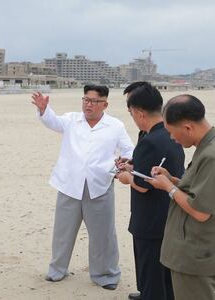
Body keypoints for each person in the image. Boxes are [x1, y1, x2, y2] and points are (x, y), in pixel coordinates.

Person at [31, 85, 134, 290]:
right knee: (63, 232)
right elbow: (52, 121)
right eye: (86, 99)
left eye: (94, 101)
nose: (89, 104)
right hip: (69, 184)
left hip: (100, 185)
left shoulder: (115, 125)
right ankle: (57, 270)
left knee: (103, 235)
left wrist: (123, 164)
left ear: (104, 104)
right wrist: (43, 109)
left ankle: (105, 275)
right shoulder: (71, 120)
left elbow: (129, 150)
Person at [116, 82, 184, 300]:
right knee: (163, 272)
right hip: (169, 214)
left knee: (150, 270)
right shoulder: (167, 132)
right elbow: (152, 168)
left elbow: (143, 185)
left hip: (151, 219)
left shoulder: (150, 140)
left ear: (138, 112)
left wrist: (126, 177)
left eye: (131, 112)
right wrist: (134, 165)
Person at [146, 95, 215, 300]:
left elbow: (201, 212)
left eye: (171, 132)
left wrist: (168, 187)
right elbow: (200, 189)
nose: (172, 139)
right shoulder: (206, 149)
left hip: (196, 253)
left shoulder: (210, 156)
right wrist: (173, 180)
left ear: (187, 128)